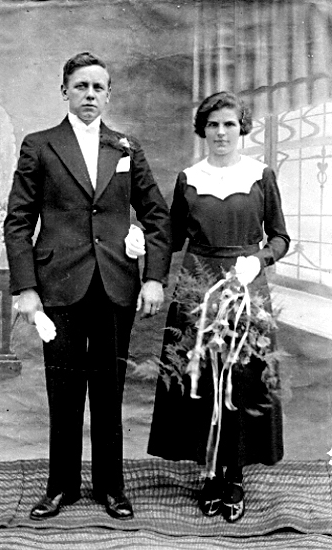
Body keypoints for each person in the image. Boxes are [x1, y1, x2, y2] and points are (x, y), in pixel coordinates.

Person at [4, 52, 172, 521]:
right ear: (65, 92)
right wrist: (26, 288)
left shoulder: (126, 147)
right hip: (58, 286)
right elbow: (18, 222)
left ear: (109, 94)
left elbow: (157, 216)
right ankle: (61, 487)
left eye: (98, 87)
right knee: (63, 391)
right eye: (81, 86)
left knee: (109, 391)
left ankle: (111, 487)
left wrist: (154, 277)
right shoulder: (40, 145)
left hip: (116, 284)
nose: (90, 95)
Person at [147, 91, 290, 523]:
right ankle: (209, 475)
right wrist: (139, 243)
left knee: (241, 381)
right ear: (203, 130)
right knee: (202, 380)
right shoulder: (188, 178)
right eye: (213, 125)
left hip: (245, 287)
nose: (221, 132)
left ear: (241, 127)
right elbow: (171, 238)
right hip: (197, 289)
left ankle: (235, 477)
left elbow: (280, 237)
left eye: (229, 124)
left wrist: (258, 260)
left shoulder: (260, 175)